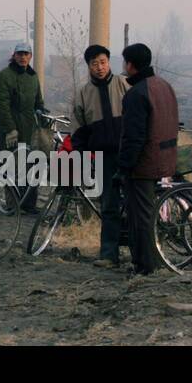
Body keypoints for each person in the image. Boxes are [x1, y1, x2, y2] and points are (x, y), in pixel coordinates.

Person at [116, 43, 179, 276]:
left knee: (141, 216)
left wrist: (123, 167)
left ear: (130, 65)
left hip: (144, 164)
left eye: (125, 62)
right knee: (150, 213)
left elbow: (134, 136)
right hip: (166, 157)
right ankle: (152, 260)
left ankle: (145, 265)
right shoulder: (164, 86)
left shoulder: (136, 94)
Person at [71, 44, 130, 268]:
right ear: (88, 67)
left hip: (128, 153)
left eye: (103, 62)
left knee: (134, 203)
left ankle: (139, 253)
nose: (99, 67)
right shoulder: (83, 93)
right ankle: (109, 254)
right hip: (103, 157)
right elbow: (78, 127)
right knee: (108, 205)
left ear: (109, 62)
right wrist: (81, 155)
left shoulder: (124, 84)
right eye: (94, 63)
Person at [0, 43, 46, 212]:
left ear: (30, 56)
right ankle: (13, 204)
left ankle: (29, 204)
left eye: (26, 54)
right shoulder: (5, 76)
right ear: (14, 55)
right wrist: (10, 128)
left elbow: (39, 101)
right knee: (11, 166)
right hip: (12, 130)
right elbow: (2, 104)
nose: (23, 57)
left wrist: (42, 113)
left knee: (32, 165)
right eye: (20, 54)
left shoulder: (33, 76)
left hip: (30, 129)